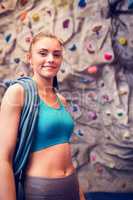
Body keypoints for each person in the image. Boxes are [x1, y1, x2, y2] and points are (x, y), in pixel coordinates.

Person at [0, 32, 85, 200]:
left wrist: (80, 195)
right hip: (42, 190)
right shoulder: (18, 92)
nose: (51, 59)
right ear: (29, 58)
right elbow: (3, 158)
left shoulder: (62, 100)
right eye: (43, 53)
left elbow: (65, 153)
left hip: (71, 185)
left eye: (57, 54)